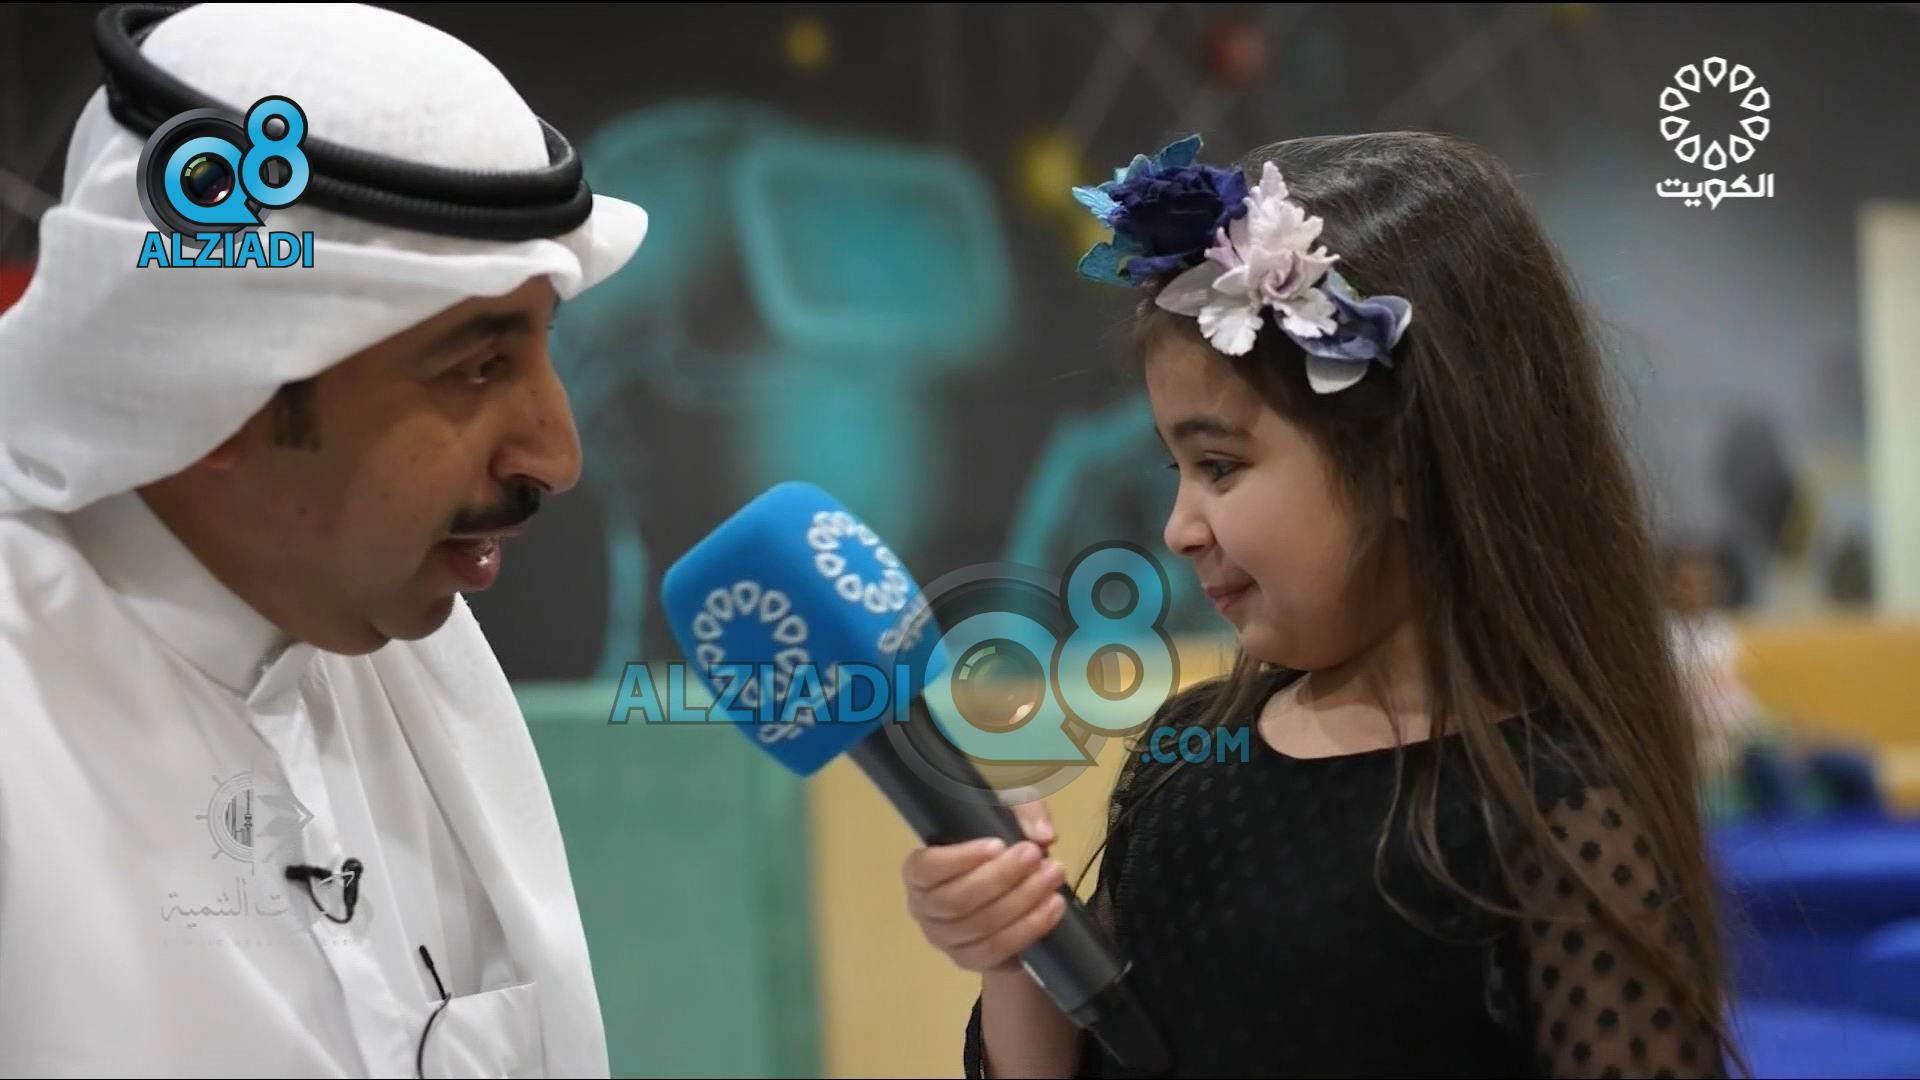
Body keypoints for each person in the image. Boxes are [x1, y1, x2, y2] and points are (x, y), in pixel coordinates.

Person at [898, 132, 1740, 1078]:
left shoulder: (1558, 815)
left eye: (1219, 466)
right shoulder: (1184, 754)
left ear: (1401, 461)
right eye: (1175, 469)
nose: (1179, 528)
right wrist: (1016, 948)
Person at [0, 4, 646, 1075]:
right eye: (476, 367)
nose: (556, 454)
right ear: (213, 385)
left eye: (544, 347)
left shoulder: (409, 655)